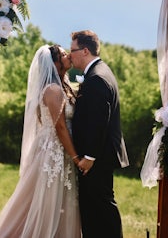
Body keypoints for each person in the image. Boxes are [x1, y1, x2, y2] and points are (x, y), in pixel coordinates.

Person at [0, 44, 82, 238]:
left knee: (60, 202)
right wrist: (75, 157)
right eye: (64, 54)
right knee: (46, 202)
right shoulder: (53, 90)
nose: (69, 56)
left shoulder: (61, 86)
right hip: (54, 152)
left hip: (59, 148)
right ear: (55, 63)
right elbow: (60, 127)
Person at [70, 30, 129, 238]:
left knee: (100, 208)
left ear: (85, 50)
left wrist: (89, 157)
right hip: (99, 155)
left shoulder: (96, 78)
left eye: (73, 50)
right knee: (97, 208)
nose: (70, 55)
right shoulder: (100, 72)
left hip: (97, 157)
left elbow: (98, 121)